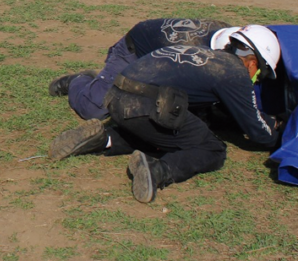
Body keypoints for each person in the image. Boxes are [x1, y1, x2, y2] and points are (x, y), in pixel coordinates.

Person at [48, 25, 283, 204]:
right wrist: (279, 133)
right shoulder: (234, 73)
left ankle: (103, 139)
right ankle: (158, 170)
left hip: (115, 97)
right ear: (252, 62)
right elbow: (259, 133)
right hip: (145, 106)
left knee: (168, 131)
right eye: (260, 73)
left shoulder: (200, 52)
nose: (257, 79)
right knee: (212, 149)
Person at [49, 18, 233, 119]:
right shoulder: (203, 53)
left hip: (162, 63)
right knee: (94, 109)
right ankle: (80, 81)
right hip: (134, 52)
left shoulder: (234, 40)